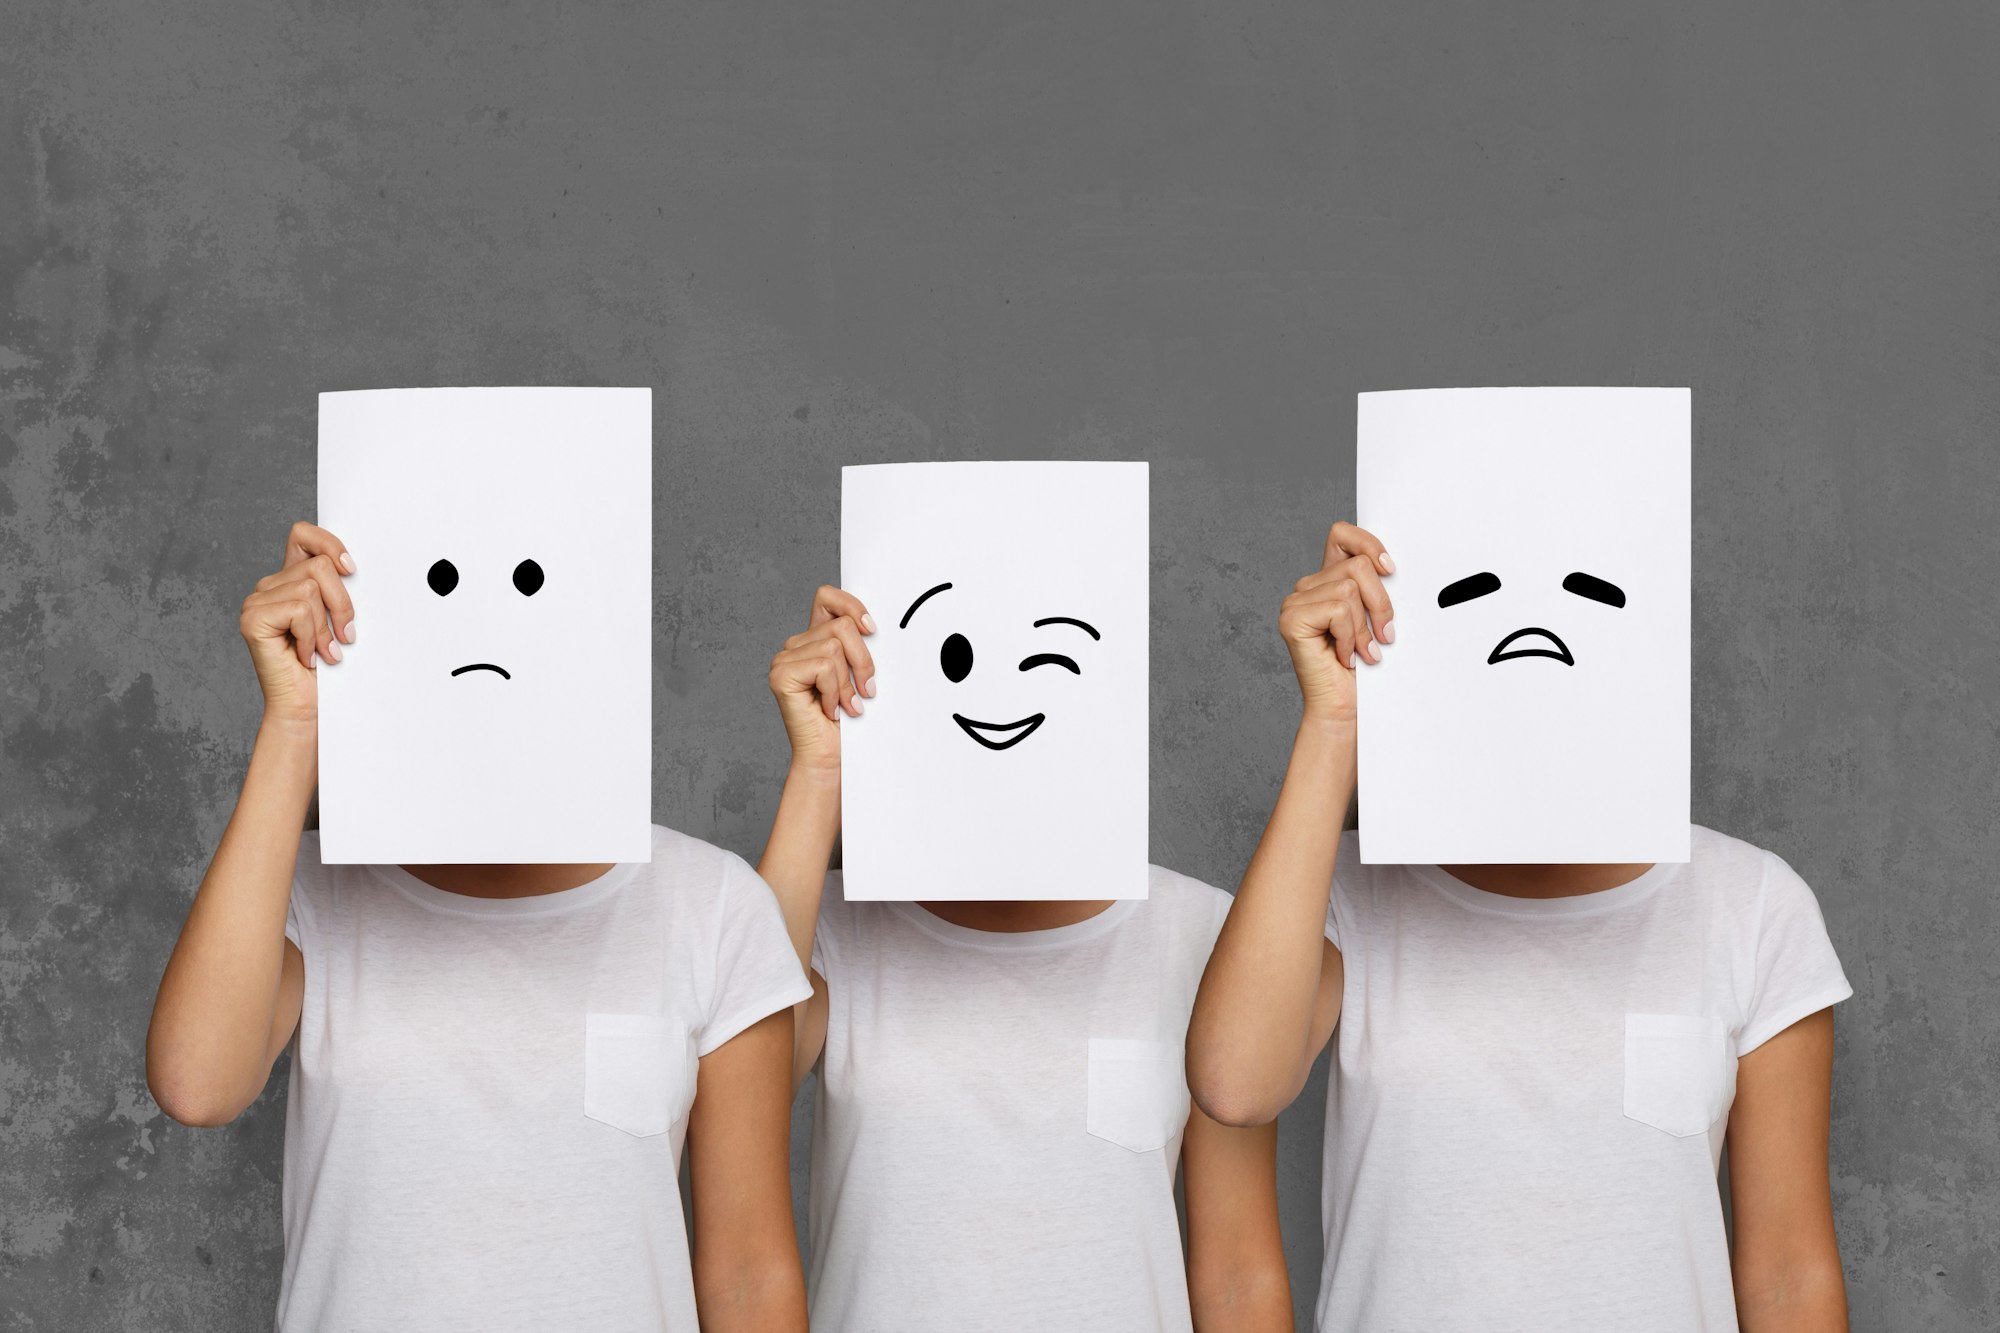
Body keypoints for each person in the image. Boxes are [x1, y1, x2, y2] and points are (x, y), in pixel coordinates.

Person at [1186, 521, 1853, 1333]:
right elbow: (1234, 1085)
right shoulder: (1335, 895)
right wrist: (1333, 724)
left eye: (1588, 589)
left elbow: (1788, 1271)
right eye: (1476, 592)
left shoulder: (1750, 904)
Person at [146, 522, 811, 1332]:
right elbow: (196, 1085)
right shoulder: (307, 891)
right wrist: (292, 724)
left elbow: (748, 1274)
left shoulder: (710, 904)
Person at [754, 585, 1293, 1332]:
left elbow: (1237, 1271)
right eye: (958, 658)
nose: (1001, 693)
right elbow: (740, 1098)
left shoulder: (1202, 932)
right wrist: (817, 772)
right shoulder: (829, 927)